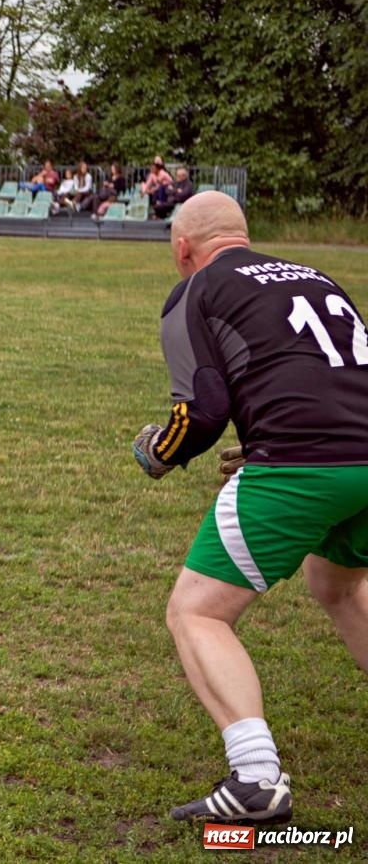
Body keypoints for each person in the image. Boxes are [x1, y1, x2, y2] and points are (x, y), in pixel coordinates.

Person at [131, 192, 368, 826]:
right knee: (337, 583)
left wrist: (159, 452)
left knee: (197, 611)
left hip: (303, 464)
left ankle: (256, 778)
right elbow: (325, 374)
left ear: (182, 248)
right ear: (245, 235)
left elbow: (204, 409)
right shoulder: (315, 275)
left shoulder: (195, 290)